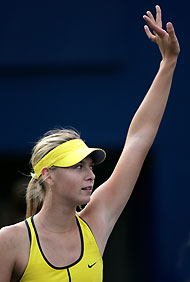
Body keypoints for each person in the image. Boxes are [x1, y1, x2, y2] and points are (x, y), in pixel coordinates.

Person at [0, 5, 180, 282]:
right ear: (47, 175)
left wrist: (167, 64)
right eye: (77, 166)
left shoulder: (96, 220)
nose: (90, 174)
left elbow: (138, 140)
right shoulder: (9, 241)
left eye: (89, 165)